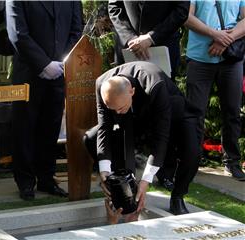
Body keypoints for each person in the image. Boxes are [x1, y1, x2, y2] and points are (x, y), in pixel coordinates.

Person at [84, 61, 201, 219]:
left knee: (192, 152)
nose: (117, 112)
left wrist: (146, 180)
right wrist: (105, 171)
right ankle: (124, 189)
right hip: (137, 115)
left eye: (120, 108)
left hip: (173, 113)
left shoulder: (155, 83)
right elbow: (104, 127)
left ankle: (178, 196)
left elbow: (161, 136)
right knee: (91, 138)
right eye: (113, 109)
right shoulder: (101, 84)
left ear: (131, 91)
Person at [108, 0, 190, 190]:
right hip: (128, 50)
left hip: (162, 47)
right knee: (124, 113)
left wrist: (151, 38)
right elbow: (114, 7)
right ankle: (125, 172)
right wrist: (130, 39)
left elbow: (181, 10)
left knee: (163, 111)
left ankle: (165, 171)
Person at [6, 1, 83, 200]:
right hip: (29, 72)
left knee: (51, 127)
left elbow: (76, 30)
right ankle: (25, 181)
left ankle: (47, 178)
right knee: (24, 128)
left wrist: (61, 62)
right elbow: (18, 34)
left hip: (59, 71)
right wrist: (43, 64)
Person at [184, 0, 245, 180]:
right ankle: (191, 161)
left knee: (232, 113)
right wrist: (215, 34)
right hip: (199, 58)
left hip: (230, 59)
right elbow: (186, 17)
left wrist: (227, 39)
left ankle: (232, 162)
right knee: (194, 114)